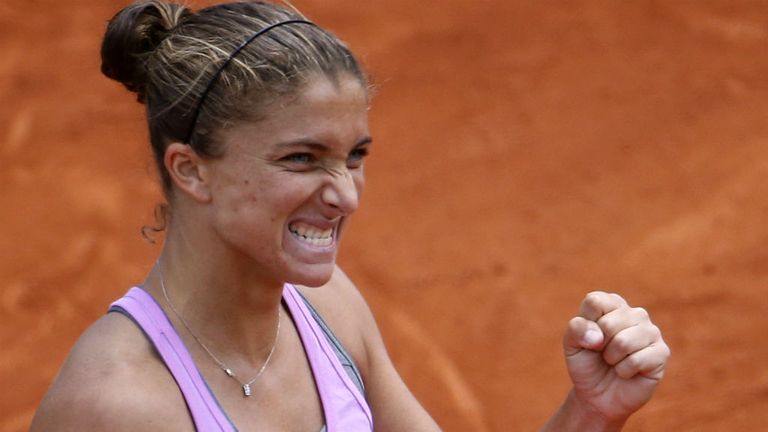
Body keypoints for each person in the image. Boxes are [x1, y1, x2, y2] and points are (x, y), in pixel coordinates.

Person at [30, 1, 671, 431]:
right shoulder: (118, 405)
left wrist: (589, 413)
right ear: (190, 169)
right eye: (302, 158)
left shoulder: (328, 309)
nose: (346, 195)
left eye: (354, 156)